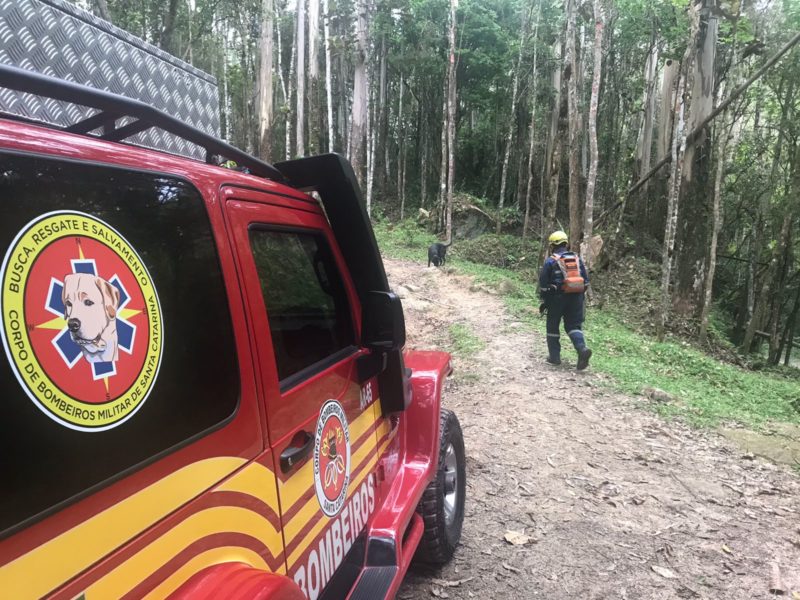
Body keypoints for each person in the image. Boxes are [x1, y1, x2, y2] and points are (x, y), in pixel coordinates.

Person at [538, 230, 592, 370]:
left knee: (552, 326)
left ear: (552, 245)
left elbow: (543, 285)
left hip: (557, 298)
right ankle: (582, 349)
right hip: (576, 297)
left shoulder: (551, 261)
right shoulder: (577, 259)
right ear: (566, 244)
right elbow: (585, 282)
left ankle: (554, 358)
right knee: (573, 326)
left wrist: (545, 301)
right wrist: (577, 297)